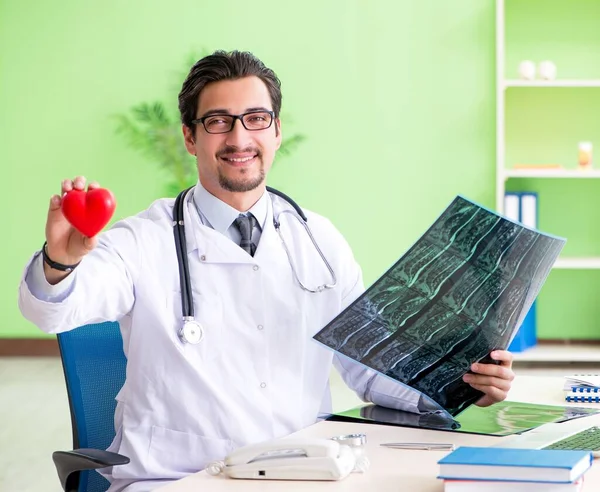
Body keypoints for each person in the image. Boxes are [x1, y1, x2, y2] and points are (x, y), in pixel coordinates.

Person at [18, 50, 515, 492]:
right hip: (180, 477)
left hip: (302, 470)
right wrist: (62, 259)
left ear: (276, 131)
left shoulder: (319, 241)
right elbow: (57, 308)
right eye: (218, 121)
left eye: (256, 118)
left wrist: (463, 385)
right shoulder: (144, 239)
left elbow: (369, 368)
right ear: (190, 138)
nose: (239, 138)